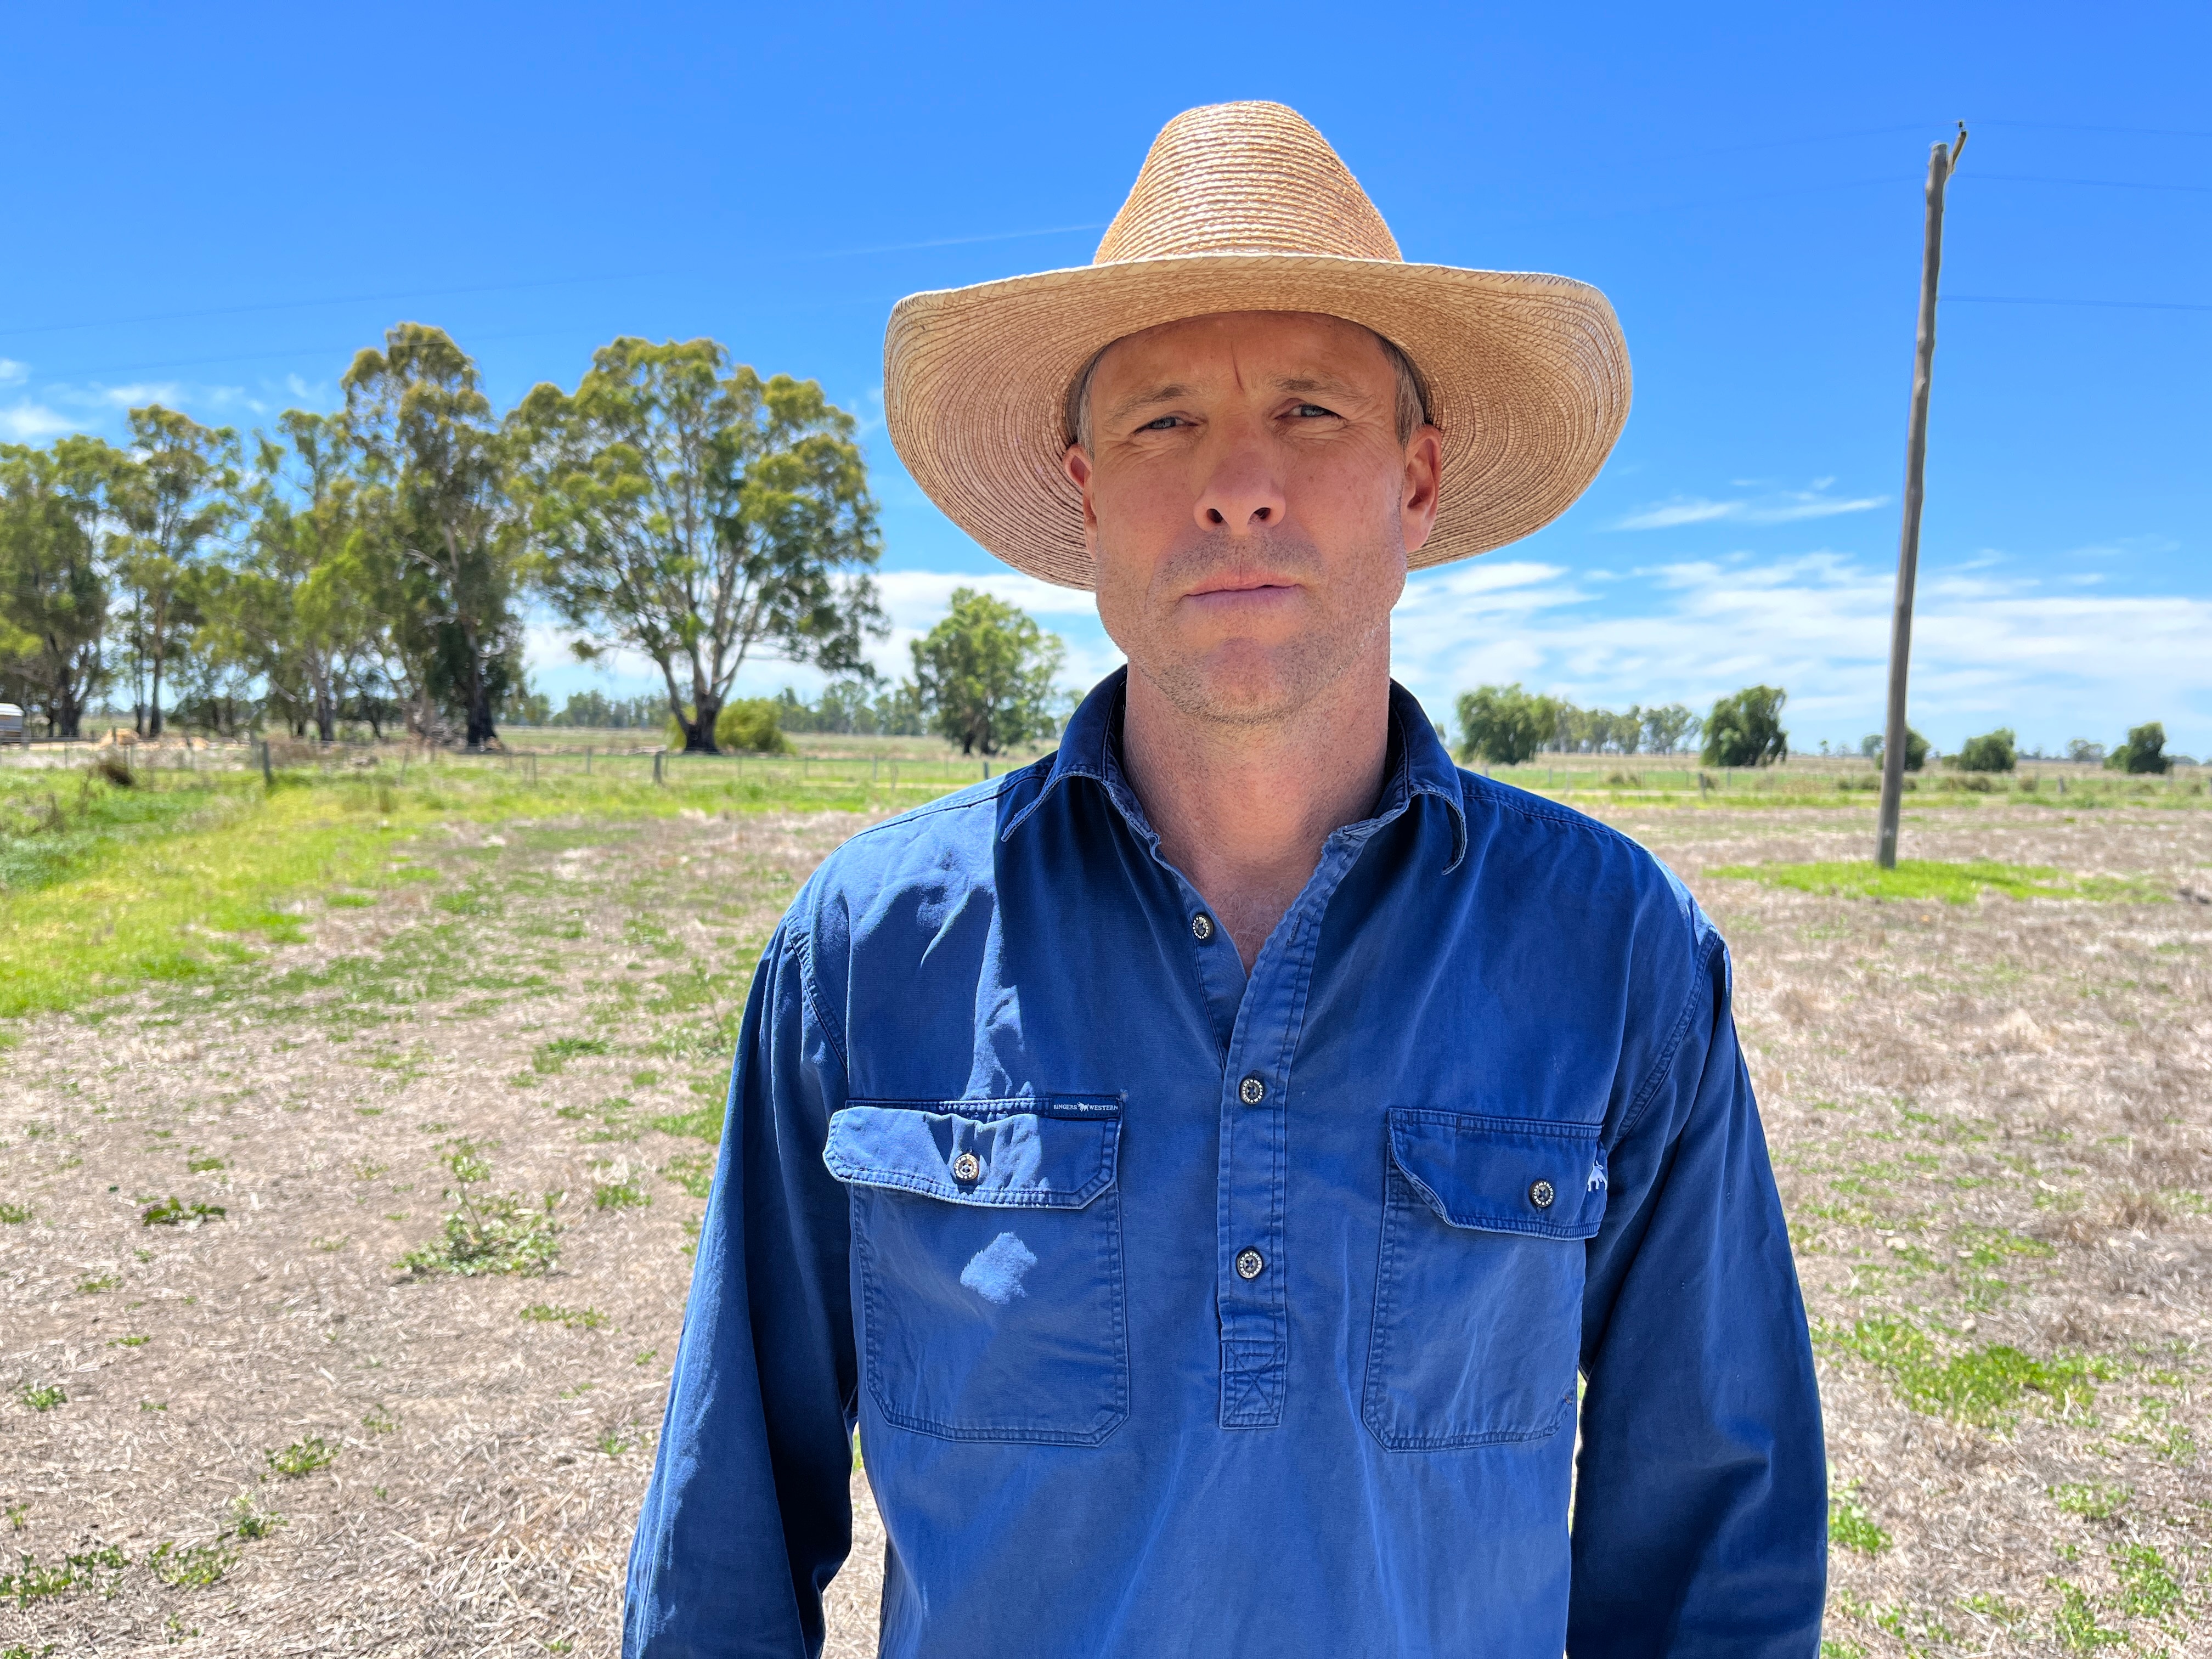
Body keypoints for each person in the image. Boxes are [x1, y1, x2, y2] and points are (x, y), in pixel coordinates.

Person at [624, 101, 1825, 1658]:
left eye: (1314, 412)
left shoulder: (1617, 953)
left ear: (1417, 484)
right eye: (1164, 422)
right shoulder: (867, 952)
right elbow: (724, 1541)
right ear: (1084, 494)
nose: (1239, 485)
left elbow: (1714, 1551)